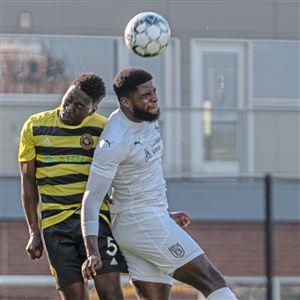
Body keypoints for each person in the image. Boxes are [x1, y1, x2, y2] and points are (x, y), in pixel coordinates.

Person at [80, 68, 238, 300]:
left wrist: (163, 215)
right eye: (145, 95)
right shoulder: (114, 142)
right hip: (141, 223)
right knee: (212, 281)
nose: (153, 98)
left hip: (147, 221)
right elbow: (91, 199)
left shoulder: (146, 117)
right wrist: (92, 252)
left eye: (153, 91)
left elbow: (139, 180)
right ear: (125, 101)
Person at [18, 73, 128, 300]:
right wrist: (33, 231)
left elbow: (122, 173)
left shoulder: (103, 129)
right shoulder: (34, 127)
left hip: (96, 221)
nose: (68, 108)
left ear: (92, 110)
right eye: (68, 99)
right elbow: (28, 182)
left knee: (112, 294)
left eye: (79, 106)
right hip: (55, 227)